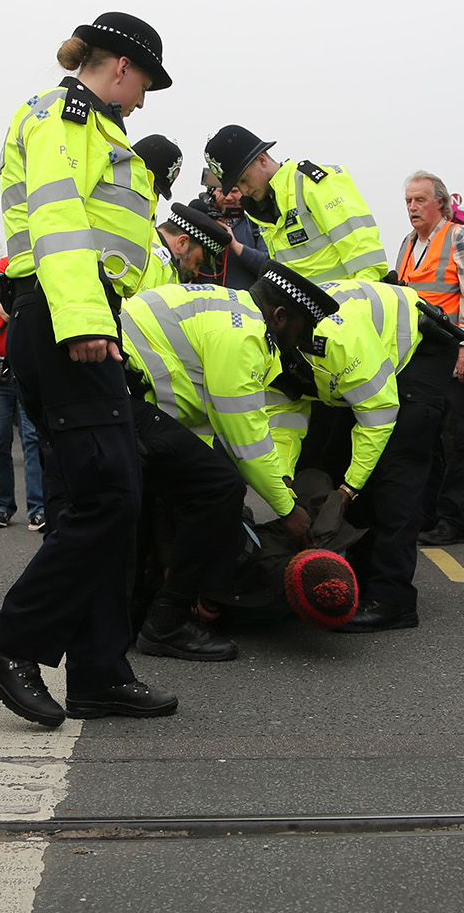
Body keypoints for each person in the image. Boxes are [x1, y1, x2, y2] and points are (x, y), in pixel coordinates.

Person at [0, 12, 178, 728]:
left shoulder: (89, 125)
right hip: (64, 316)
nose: (144, 99)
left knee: (108, 493)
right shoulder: (66, 115)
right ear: (120, 66)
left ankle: (98, 670)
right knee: (109, 496)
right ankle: (10, 644)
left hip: (73, 314)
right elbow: (58, 220)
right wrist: (86, 319)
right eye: (145, 82)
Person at [121, 233, 320, 660]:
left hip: (120, 390)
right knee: (220, 487)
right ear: (281, 316)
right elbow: (244, 437)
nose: (300, 344)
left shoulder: (229, 308)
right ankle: (168, 620)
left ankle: (140, 608)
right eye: (302, 331)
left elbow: (204, 424)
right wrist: (287, 509)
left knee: (191, 487)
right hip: (118, 391)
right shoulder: (243, 334)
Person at [265, 273, 449, 631]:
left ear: (285, 318)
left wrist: (347, 491)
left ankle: (393, 598)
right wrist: (284, 489)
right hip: (363, 359)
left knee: (394, 472)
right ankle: (359, 577)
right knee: (331, 456)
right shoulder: (270, 341)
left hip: (418, 348)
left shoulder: (336, 336)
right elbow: (284, 421)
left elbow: (378, 418)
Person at [398, 171, 464, 547]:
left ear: (440, 202)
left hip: (457, 356)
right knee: (428, 440)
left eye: (420, 200)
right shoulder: (408, 242)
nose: (412, 207)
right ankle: (430, 516)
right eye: (408, 201)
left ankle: (455, 521)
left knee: (460, 441)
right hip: (421, 359)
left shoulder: (461, 237)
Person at [202, 125, 390, 283]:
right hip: (311, 319)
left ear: (261, 159)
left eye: (244, 180)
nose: (243, 191)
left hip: (348, 315)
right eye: (236, 186)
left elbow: (367, 263)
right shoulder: (259, 208)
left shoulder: (315, 184)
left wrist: (347, 318)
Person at [0, 254, 46, 529]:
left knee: (33, 440)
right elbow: (6, 310)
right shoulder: (5, 264)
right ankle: (2, 506)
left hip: (30, 367)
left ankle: (38, 508)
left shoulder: (47, 262)